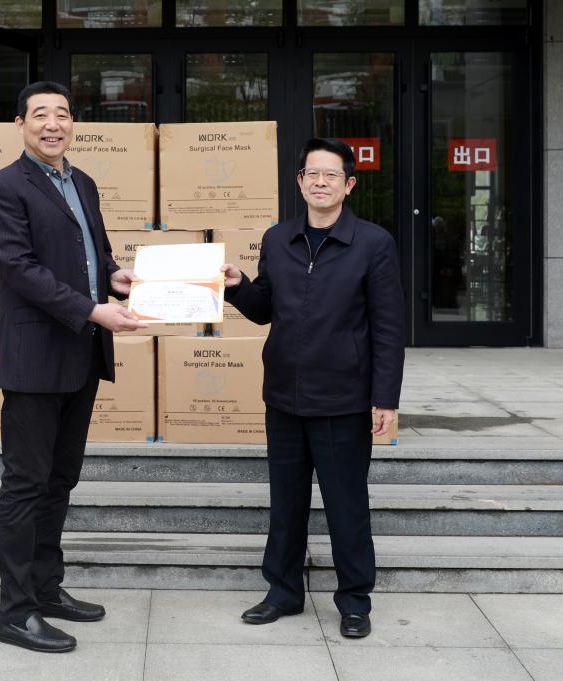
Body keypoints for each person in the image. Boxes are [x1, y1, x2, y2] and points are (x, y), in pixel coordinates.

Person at [0, 81, 146, 654]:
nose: (54, 124)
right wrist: (94, 309)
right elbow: (20, 269)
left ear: (73, 124)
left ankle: (47, 588)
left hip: (81, 355)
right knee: (26, 484)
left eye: (63, 114)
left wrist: (114, 275)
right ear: (20, 124)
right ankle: (15, 611)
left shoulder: (84, 182)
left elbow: (92, 253)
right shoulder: (2, 187)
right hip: (34, 358)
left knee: (60, 480)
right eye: (41, 115)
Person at [221, 137, 404, 639]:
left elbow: (389, 326)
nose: (321, 182)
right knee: (286, 503)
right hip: (283, 395)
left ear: (349, 184)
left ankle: (354, 601)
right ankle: (282, 592)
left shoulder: (372, 243)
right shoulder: (278, 238)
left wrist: (385, 398)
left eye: (331, 175)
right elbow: (265, 309)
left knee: (347, 505)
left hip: (343, 398)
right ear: (300, 181)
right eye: (312, 174)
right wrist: (238, 285)